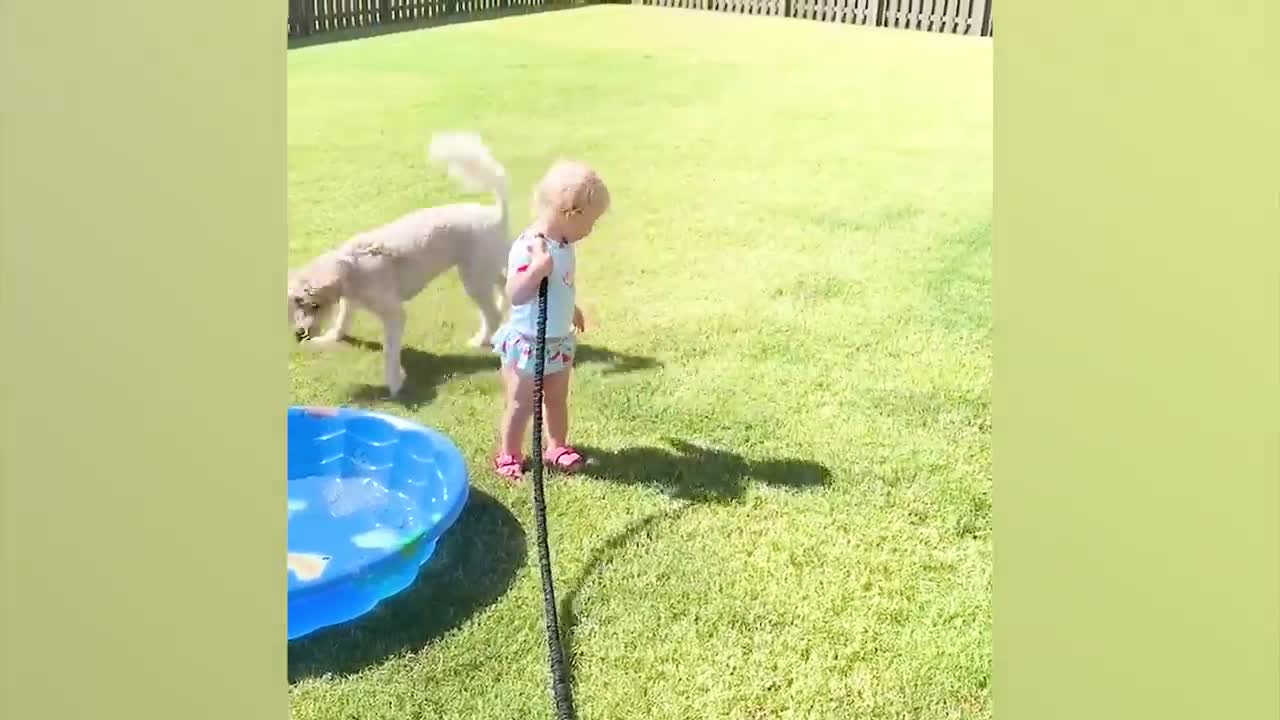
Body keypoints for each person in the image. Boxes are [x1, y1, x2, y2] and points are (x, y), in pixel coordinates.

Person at [490, 159, 611, 481]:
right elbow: (515, 293)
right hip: (529, 343)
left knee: (556, 399)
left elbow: (561, 284)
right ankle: (509, 454)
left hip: (557, 341)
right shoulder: (531, 247)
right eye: (591, 222)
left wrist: (570, 308)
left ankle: (556, 446)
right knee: (521, 404)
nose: (590, 230)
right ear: (572, 213)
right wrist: (535, 271)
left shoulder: (563, 244)